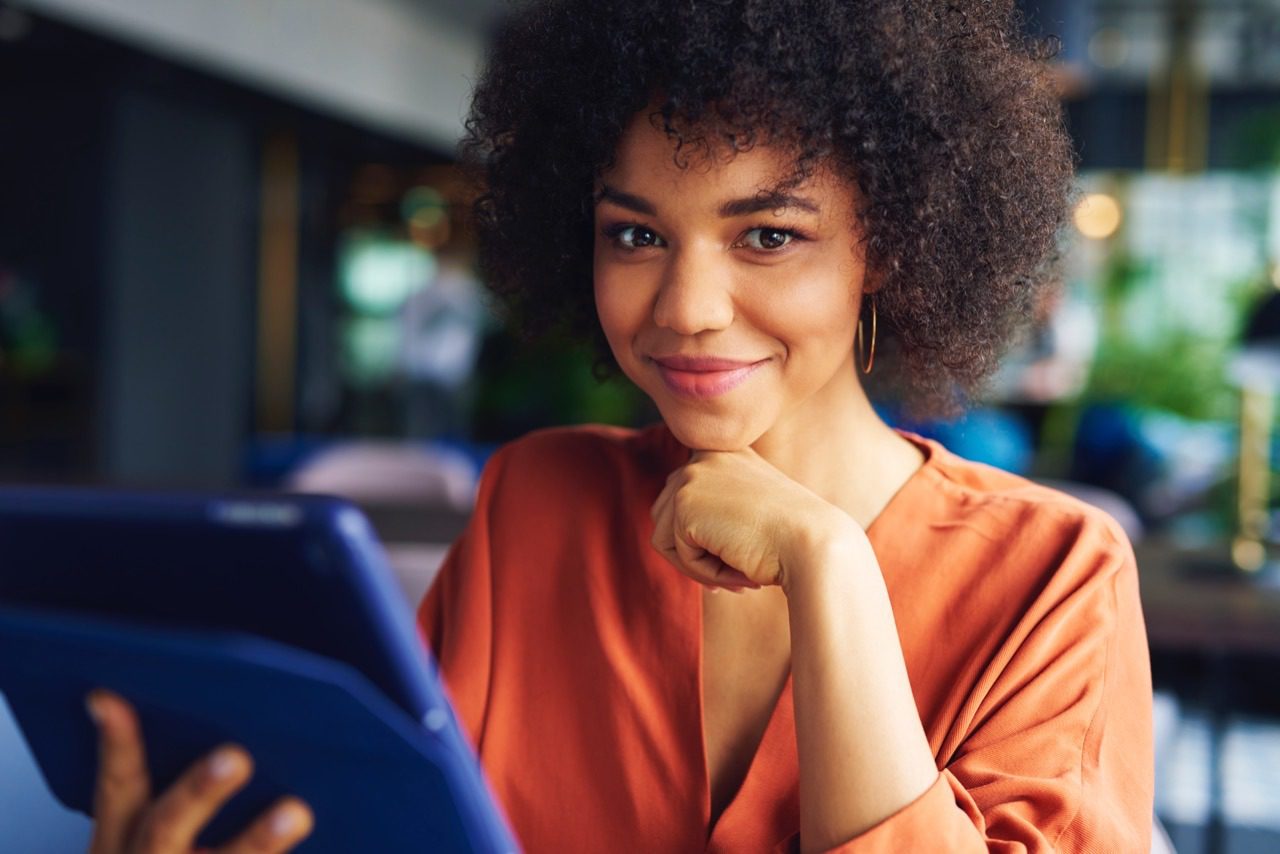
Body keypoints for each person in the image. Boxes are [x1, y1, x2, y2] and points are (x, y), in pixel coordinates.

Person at [83, 1, 1154, 851]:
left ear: (889, 247)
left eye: (767, 235)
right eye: (635, 231)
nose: (684, 305)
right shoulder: (534, 503)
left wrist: (826, 562)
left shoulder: (1051, 571)